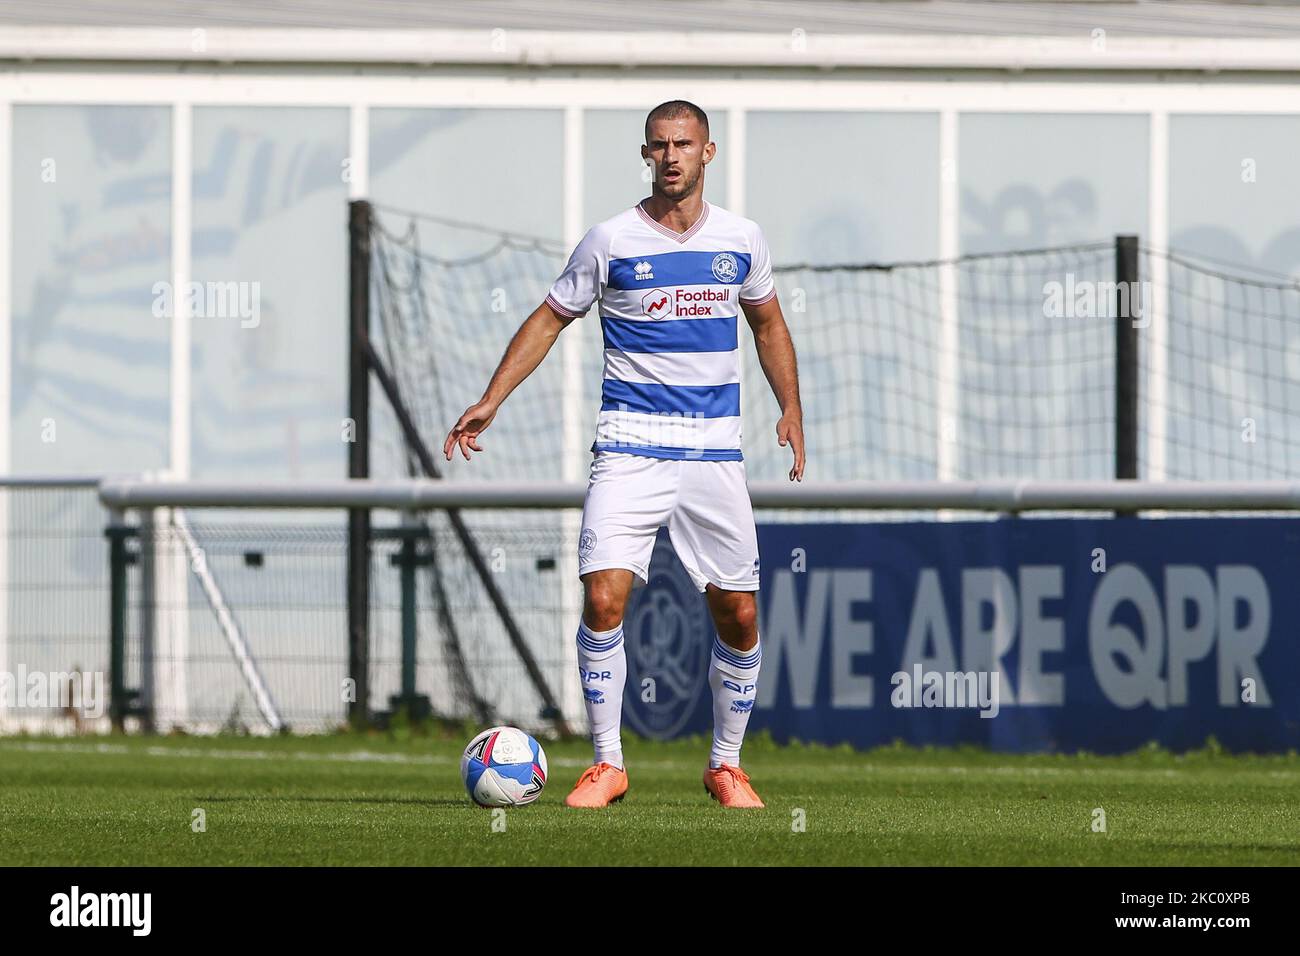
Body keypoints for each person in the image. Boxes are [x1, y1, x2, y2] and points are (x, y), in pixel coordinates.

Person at [444, 99, 804, 809]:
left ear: (708, 152)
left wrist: (790, 406)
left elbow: (767, 323)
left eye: (684, 143)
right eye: (659, 144)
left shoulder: (742, 238)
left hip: (712, 454)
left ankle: (725, 766)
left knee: (738, 614)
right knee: (604, 595)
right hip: (629, 447)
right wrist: (494, 397)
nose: (672, 156)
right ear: (645, 154)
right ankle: (608, 764)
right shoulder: (610, 241)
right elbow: (550, 317)